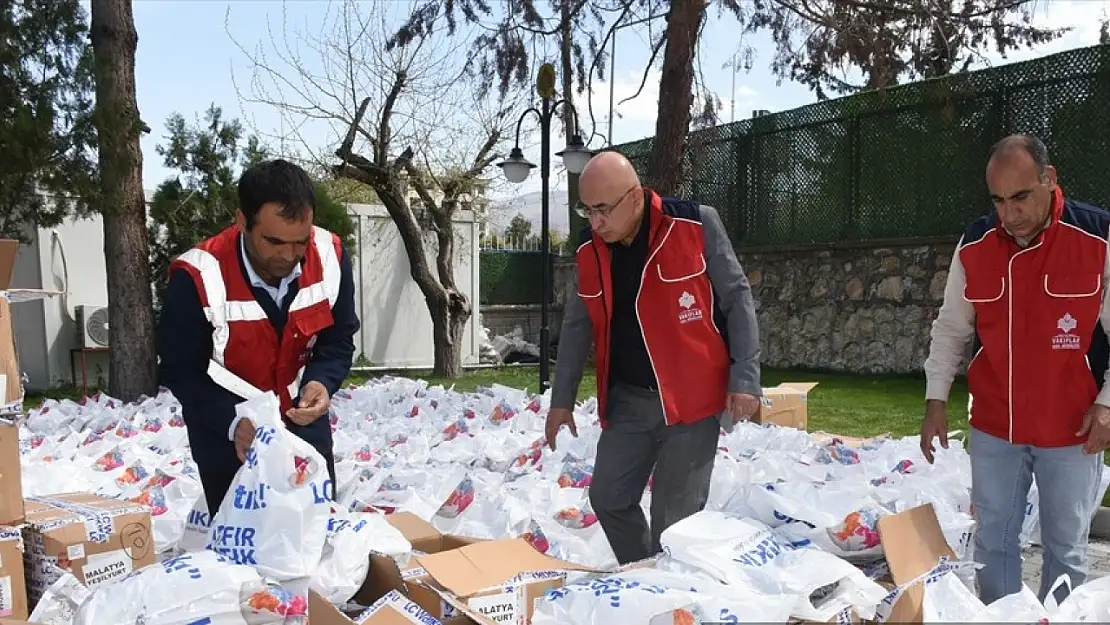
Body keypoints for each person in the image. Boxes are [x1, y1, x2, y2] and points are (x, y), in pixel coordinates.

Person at [546, 150, 762, 565]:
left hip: (692, 401)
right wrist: (561, 401)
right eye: (587, 211)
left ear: (635, 196)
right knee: (607, 497)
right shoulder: (590, 250)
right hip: (628, 401)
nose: (595, 222)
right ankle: (647, 575)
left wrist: (745, 378)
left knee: (674, 525)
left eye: (603, 210)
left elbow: (737, 300)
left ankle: (672, 596)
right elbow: (577, 326)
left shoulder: (695, 225)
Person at [921, 134, 1110, 604]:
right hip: (994, 426)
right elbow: (950, 330)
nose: (1009, 214)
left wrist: (1107, 404)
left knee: (1065, 550)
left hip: (1072, 428)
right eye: (998, 200)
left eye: (1021, 197)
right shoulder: (975, 244)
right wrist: (935, 400)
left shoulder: (1098, 239)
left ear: (1050, 180)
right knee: (992, 543)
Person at [157, 159, 360, 517]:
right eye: (274, 241)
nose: (288, 255)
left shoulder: (330, 256)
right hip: (229, 435)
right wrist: (233, 424)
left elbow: (338, 339)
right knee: (243, 555)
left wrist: (322, 382)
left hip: (303, 424)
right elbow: (180, 370)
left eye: (300, 242)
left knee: (316, 542)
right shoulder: (197, 276)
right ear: (242, 222)